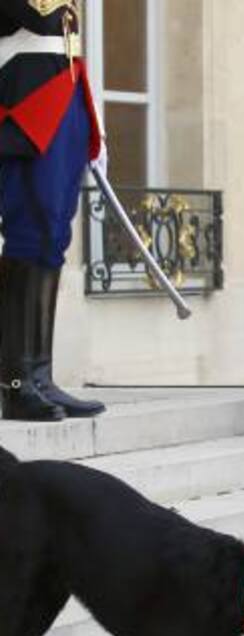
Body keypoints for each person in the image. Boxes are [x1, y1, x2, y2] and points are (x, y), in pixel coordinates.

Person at [0, 0, 106, 421]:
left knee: (52, 236)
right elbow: (35, 15)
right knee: (29, 229)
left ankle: (39, 375)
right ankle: (13, 381)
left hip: (63, 89)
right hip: (24, 98)